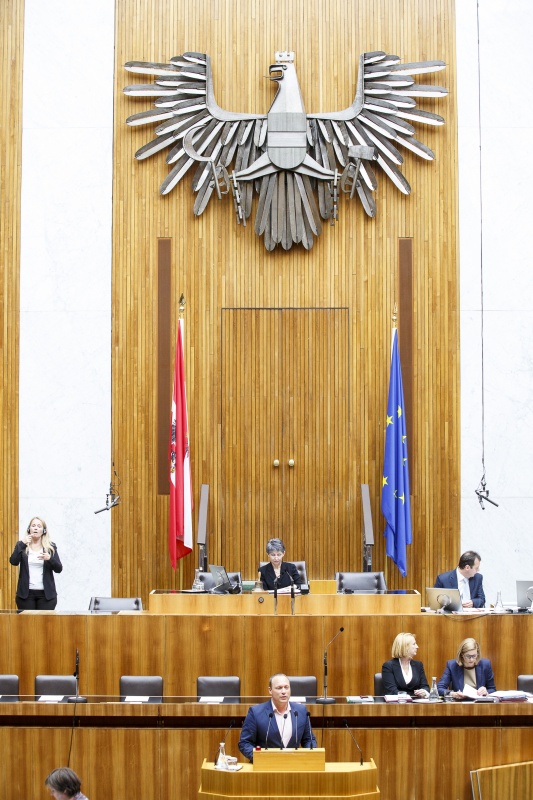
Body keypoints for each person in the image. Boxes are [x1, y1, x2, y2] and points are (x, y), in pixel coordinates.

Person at [239, 672, 316, 761]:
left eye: (286, 687)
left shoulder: (301, 711)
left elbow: (309, 739)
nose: (283, 692)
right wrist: (259, 758)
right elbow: (245, 743)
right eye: (279, 688)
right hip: (266, 768)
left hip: (294, 766)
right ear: (270, 690)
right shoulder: (256, 712)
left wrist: (309, 756)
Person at [9, 517, 62, 610]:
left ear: (44, 530)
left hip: (46, 596)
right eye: (33, 526)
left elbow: (59, 569)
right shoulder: (22, 545)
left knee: (45, 624)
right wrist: (22, 544)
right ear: (29, 529)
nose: (36, 528)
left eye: (39, 526)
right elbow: (13, 562)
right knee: (27, 624)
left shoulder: (50, 547)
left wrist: (49, 559)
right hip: (26, 595)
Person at [381, 632, 430, 697]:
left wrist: (424, 692)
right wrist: (408, 696)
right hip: (396, 705)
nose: (417, 647)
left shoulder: (418, 665)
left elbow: (425, 686)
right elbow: (392, 691)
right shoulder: (388, 666)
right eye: (414, 644)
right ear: (405, 647)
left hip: (416, 704)